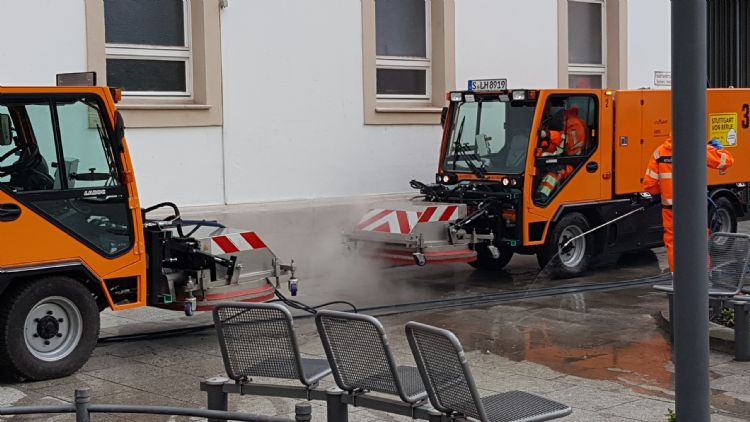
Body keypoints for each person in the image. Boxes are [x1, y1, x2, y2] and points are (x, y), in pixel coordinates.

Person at [642, 135, 734, 271]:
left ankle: (676, 277)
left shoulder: (660, 152)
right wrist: (719, 149)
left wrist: (661, 193)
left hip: (670, 209)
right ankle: (701, 275)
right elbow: (727, 161)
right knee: (697, 240)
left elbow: (649, 185)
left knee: (673, 243)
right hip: (693, 208)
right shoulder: (698, 148)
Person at [534, 106, 588, 203]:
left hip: (574, 162)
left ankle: (541, 199)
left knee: (554, 172)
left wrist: (548, 135)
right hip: (568, 158)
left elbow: (564, 140)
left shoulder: (573, 123)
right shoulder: (566, 121)